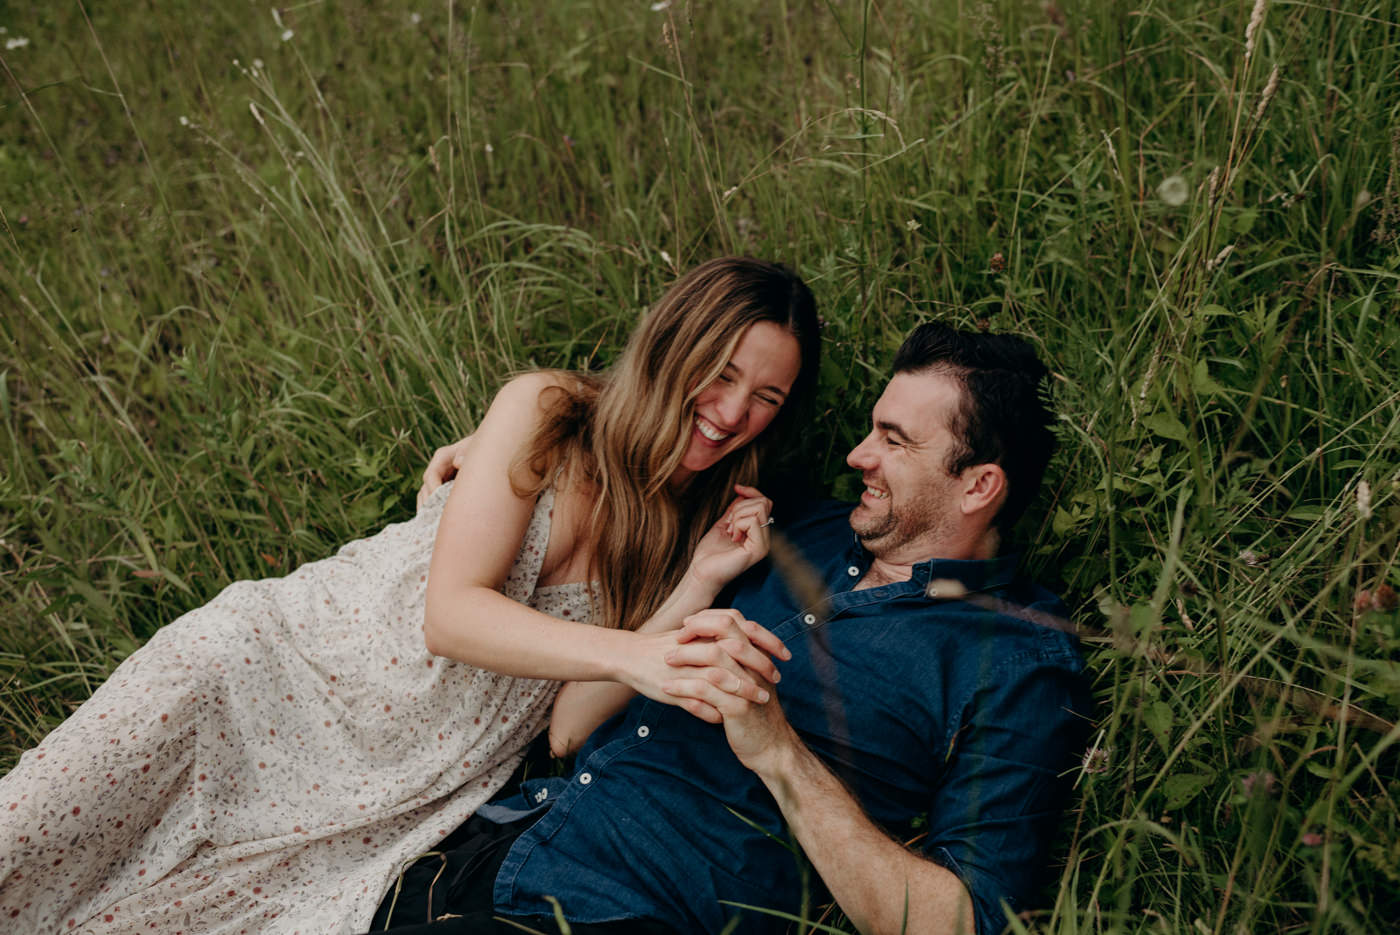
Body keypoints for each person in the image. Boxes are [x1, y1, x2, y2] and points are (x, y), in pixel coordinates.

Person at [0, 257, 822, 934]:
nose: (731, 412)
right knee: (30, 832)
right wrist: (638, 651)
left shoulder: (687, 530)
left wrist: (699, 581)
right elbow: (451, 614)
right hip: (273, 675)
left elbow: (568, 729)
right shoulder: (545, 412)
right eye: (721, 374)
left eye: (767, 398)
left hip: (398, 790)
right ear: (674, 347)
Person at [375, 322, 1093, 935]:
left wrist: (778, 750)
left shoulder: (1017, 658)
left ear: (978, 485)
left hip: (623, 910)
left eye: (894, 440)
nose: (858, 455)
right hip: (489, 847)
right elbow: (676, 428)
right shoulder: (793, 525)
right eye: (872, 426)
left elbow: (966, 921)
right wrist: (517, 431)